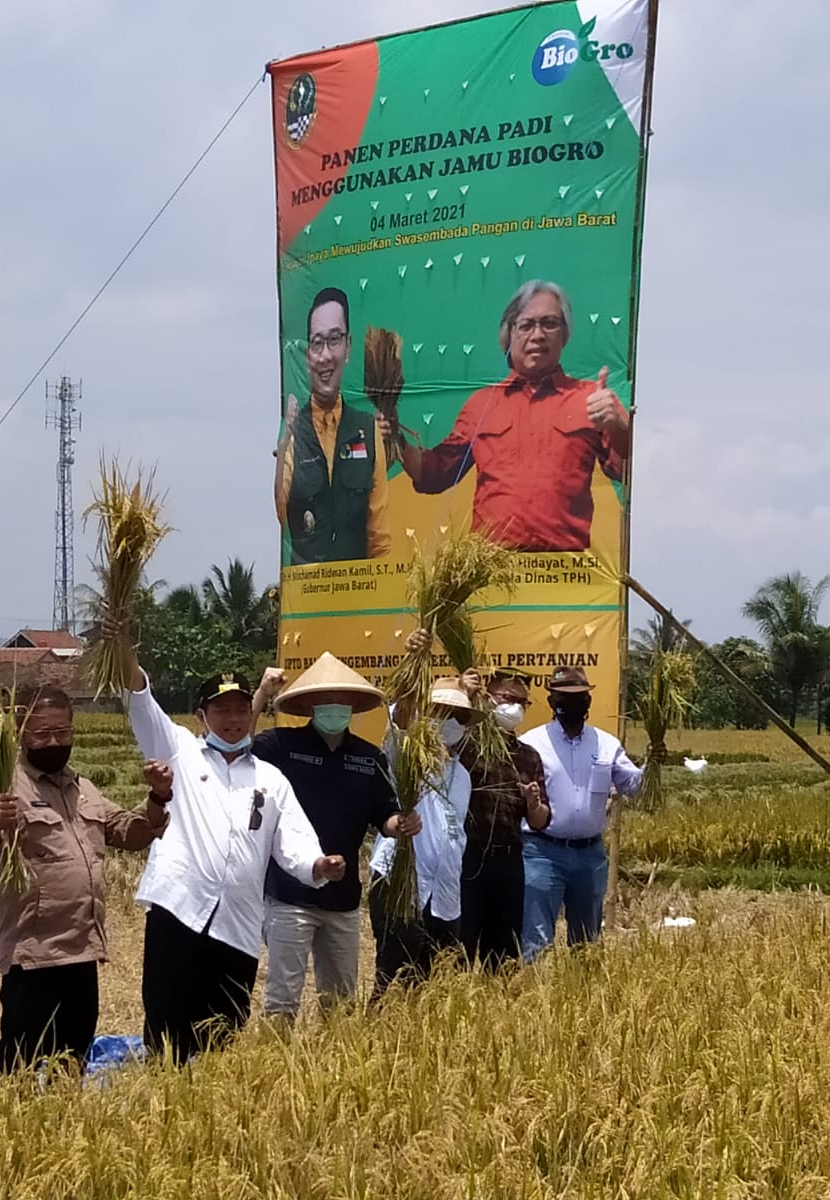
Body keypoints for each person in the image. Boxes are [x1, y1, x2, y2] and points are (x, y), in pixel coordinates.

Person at [104, 617, 347, 1064]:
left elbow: (293, 839)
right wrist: (121, 644)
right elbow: (139, 697)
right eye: (221, 711)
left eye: (240, 710)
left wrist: (318, 865)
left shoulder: (270, 780)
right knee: (167, 1026)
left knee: (223, 1032)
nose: (233, 719)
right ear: (202, 717)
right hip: (179, 910)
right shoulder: (177, 749)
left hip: (237, 924)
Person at [0, 686, 169, 1076]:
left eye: (63, 732)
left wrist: (157, 798)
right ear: (20, 734)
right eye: (42, 734)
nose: (54, 742)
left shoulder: (82, 788)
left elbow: (129, 833)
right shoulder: (7, 787)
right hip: (33, 951)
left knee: (72, 1057)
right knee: (23, 1061)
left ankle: (62, 1122)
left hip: (82, 949)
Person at [379, 279, 631, 552]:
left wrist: (618, 426)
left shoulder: (592, 399)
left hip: (565, 576)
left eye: (550, 323)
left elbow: (628, 474)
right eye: (526, 325)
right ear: (509, 335)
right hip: (492, 577)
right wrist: (395, 439)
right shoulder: (482, 404)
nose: (538, 335)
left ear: (565, 334)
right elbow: (433, 474)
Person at [248, 653, 419, 1019]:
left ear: (354, 708)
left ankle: (332, 1069)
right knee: (282, 1001)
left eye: (342, 704)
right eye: (326, 703)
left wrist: (399, 824)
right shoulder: (281, 746)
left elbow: (384, 815)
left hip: (343, 899)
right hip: (289, 894)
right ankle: (272, 1067)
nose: (334, 710)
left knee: (340, 1001)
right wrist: (262, 694)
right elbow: (237, 748)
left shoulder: (369, 758)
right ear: (310, 706)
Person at [518, 666, 645, 959]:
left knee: (587, 944)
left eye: (579, 697)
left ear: (588, 700)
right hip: (542, 853)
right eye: (564, 697)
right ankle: (533, 998)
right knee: (536, 939)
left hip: (590, 855)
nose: (572, 703)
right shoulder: (531, 743)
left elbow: (633, 785)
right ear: (551, 702)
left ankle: (582, 999)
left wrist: (653, 766)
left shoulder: (606, 744)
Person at [368, 676, 473, 995]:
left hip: (444, 892)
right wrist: (415, 669)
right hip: (401, 883)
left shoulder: (462, 774)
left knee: (433, 984)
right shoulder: (406, 756)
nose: (450, 722)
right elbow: (398, 726)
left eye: (459, 716)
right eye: (441, 712)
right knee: (394, 978)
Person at [275, 286, 391, 564]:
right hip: (308, 597)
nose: (325, 355)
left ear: (348, 346)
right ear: (307, 356)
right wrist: (283, 444)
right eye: (317, 343)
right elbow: (282, 514)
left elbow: (380, 540)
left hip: (360, 597)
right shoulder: (292, 434)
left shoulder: (368, 430)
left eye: (334, 340)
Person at [459, 668, 552, 969]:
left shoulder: (528, 756)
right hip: (468, 858)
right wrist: (464, 695)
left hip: (509, 861)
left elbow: (539, 821)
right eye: (507, 698)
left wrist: (533, 803)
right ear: (489, 698)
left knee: (503, 956)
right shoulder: (466, 744)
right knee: (460, 947)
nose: (514, 707)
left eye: (522, 702)